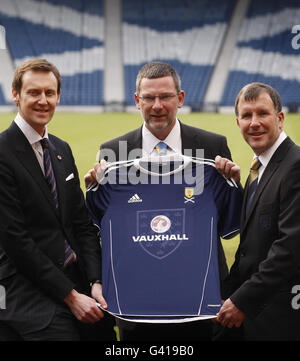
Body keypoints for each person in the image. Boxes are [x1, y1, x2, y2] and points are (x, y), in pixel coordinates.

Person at [84, 61, 240, 341]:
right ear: (137, 100)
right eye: (149, 97)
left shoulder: (212, 146)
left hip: (199, 298)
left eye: (165, 96)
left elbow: (228, 221)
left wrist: (232, 184)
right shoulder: (112, 153)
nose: (157, 105)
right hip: (136, 299)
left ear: (180, 99)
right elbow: (94, 227)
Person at [0, 58, 108, 341]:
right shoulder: (2, 152)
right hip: (24, 285)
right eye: (34, 92)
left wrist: (95, 281)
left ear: (58, 96)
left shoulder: (61, 148)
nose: (43, 100)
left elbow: (81, 224)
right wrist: (71, 297)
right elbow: (15, 240)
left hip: (75, 275)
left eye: (49, 93)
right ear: (16, 94)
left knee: (109, 332)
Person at [215, 82, 300, 340]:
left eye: (262, 113)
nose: (254, 123)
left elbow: (289, 249)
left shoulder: (295, 166)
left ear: (280, 118)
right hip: (252, 313)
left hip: (279, 317)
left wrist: (242, 301)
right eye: (246, 115)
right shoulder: (259, 168)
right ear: (237, 122)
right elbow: (251, 242)